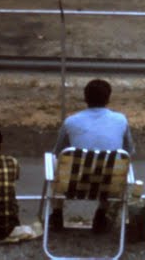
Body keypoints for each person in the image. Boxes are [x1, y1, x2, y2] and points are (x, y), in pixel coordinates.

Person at [52, 78, 136, 231]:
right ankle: (102, 213)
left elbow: (58, 152)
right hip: (109, 184)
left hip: (74, 184)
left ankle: (57, 212)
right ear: (108, 99)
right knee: (115, 164)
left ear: (85, 98)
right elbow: (129, 151)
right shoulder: (120, 120)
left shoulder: (71, 122)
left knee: (55, 162)